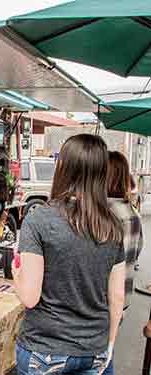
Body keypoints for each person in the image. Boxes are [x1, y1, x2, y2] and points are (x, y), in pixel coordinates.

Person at [12, 134, 126, 375]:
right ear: (101, 173)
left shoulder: (38, 219)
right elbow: (116, 295)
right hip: (94, 350)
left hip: (44, 349)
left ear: (62, 167)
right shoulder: (113, 226)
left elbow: (30, 297)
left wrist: (16, 273)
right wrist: (111, 346)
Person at [103, 151, 144, 375]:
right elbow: (137, 252)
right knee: (106, 350)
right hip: (122, 301)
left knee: (98, 359)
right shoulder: (133, 213)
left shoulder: (103, 214)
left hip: (100, 300)